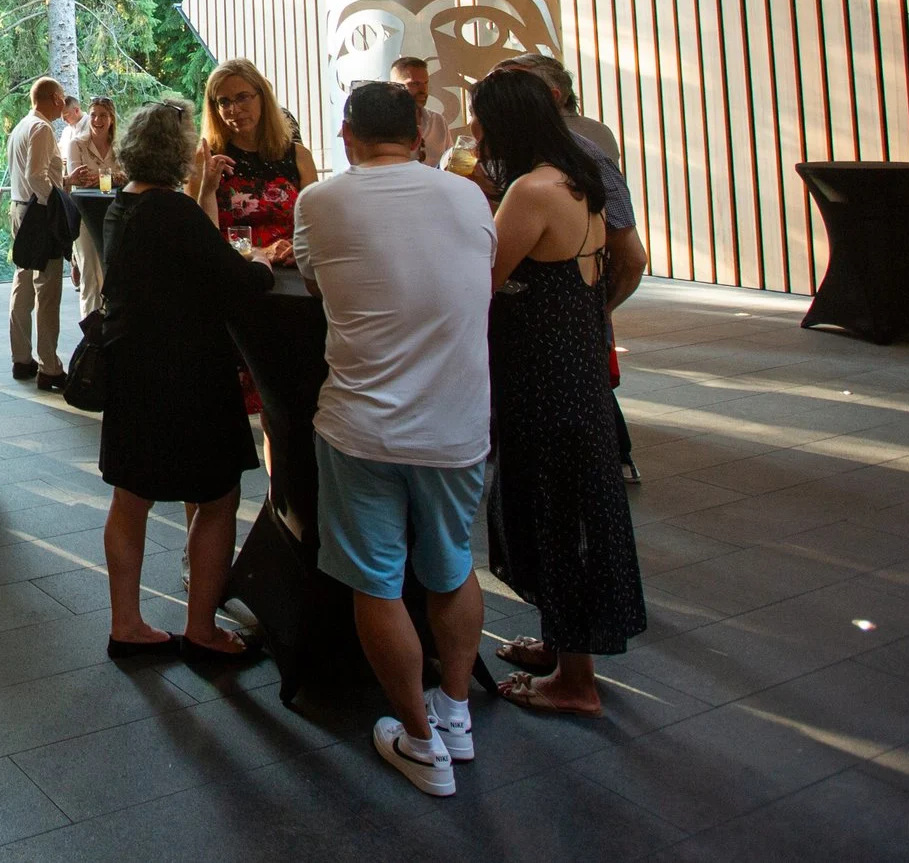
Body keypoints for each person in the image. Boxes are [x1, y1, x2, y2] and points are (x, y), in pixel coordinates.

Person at [293, 82, 498, 799]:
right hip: (460, 425)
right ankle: (457, 711)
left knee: (376, 581)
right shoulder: (470, 197)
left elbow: (317, 286)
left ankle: (418, 736)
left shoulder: (320, 200)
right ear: (420, 133)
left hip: (362, 426)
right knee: (450, 567)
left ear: (346, 134)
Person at [471, 68, 648, 717]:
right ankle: (560, 643)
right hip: (571, 366)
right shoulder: (575, 175)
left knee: (554, 509)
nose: (472, 131)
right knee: (567, 504)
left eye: (479, 119)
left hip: (542, 377)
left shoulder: (530, 189)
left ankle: (575, 681)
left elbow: (483, 277)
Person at [93, 100, 275, 664]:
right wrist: (266, 261)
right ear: (178, 154)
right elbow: (236, 280)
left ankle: (127, 623)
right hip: (186, 373)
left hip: (131, 369)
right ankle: (202, 628)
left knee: (131, 498)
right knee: (217, 496)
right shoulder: (173, 211)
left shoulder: (121, 206)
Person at [492, 54, 649, 478]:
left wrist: (597, 307)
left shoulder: (578, 158)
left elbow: (631, 255)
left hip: (550, 336)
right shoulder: (525, 159)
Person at [191, 58, 318, 261]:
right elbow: (196, 239)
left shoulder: (299, 156)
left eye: (242, 97)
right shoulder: (206, 160)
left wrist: (302, 250)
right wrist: (257, 253)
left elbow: (316, 226)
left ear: (263, 98)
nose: (234, 109)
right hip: (236, 276)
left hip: (295, 275)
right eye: (224, 101)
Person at [6, 77, 69, 386]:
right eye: (63, 98)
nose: (65, 102)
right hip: (39, 213)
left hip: (19, 209)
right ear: (55, 98)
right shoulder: (42, 128)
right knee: (47, 289)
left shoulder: (21, 126)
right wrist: (57, 203)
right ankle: (50, 365)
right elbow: (37, 176)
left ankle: (21, 358)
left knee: (23, 283)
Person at [66, 95, 119, 319]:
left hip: (115, 214)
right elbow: (79, 178)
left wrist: (102, 177)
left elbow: (128, 176)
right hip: (85, 214)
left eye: (103, 115)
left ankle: (111, 323)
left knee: (112, 272)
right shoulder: (77, 144)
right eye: (94, 115)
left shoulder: (119, 146)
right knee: (90, 272)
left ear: (112, 119)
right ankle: (90, 330)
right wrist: (107, 177)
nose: (97, 120)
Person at [389, 56, 453, 167]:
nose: (423, 90)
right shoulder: (384, 125)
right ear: (394, 87)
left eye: (426, 83)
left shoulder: (438, 121)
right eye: (415, 84)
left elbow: (450, 163)